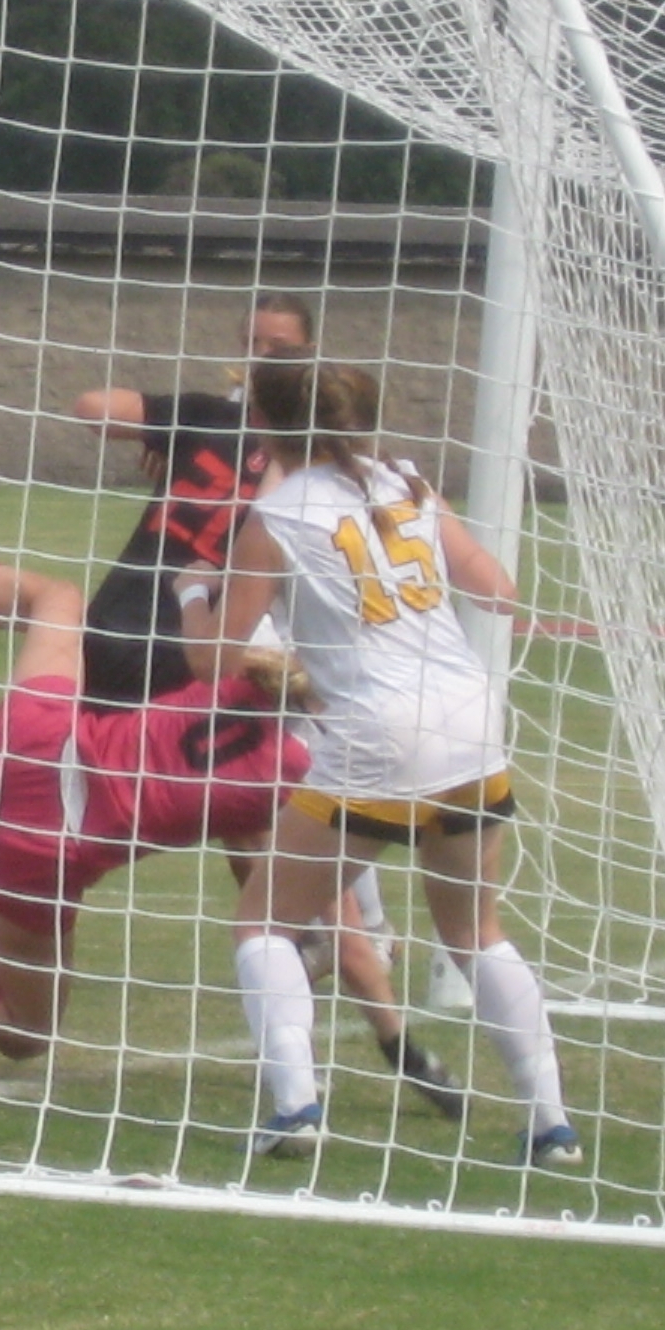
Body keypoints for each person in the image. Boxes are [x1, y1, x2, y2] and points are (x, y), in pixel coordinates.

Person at [203, 357, 580, 1163]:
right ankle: (552, 1124)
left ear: (263, 427)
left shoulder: (275, 518)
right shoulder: (406, 482)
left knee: (263, 920)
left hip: (377, 733)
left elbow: (213, 661)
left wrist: (193, 594)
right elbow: (497, 589)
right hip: (469, 721)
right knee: (475, 932)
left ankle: (296, 1109)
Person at [0, 472, 309, 1062]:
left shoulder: (255, 665)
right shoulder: (303, 771)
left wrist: (194, 592)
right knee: (24, 1031)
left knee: (55, 598)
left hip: (35, 736)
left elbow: (220, 629)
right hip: (49, 841)